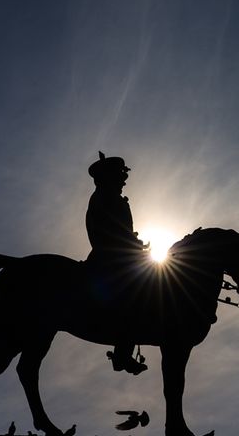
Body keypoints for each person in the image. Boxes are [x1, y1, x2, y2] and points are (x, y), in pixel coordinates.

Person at [86, 151, 148, 375]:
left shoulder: (112, 197)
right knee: (136, 293)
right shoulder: (104, 197)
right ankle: (122, 354)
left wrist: (134, 244)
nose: (124, 180)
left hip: (120, 256)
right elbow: (104, 230)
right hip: (110, 258)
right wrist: (129, 243)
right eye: (120, 176)